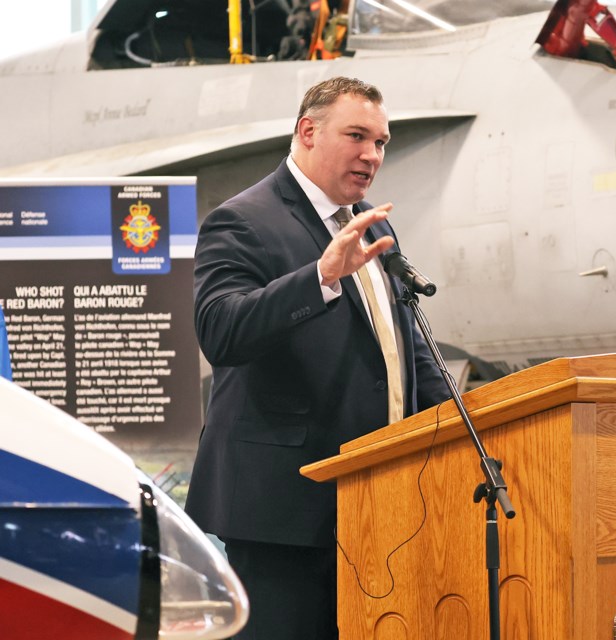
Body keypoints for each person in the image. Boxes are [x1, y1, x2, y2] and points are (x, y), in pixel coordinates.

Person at [185, 76, 450, 639]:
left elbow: (402, 347)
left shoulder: (374, 223)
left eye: (381, 141)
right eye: (357, 136)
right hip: (284, 511)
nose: (372, 155)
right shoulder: (243, 220)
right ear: (308, 131)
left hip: (382, 504)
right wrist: (321, 277)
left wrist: (473, 419)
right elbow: (221, 331)